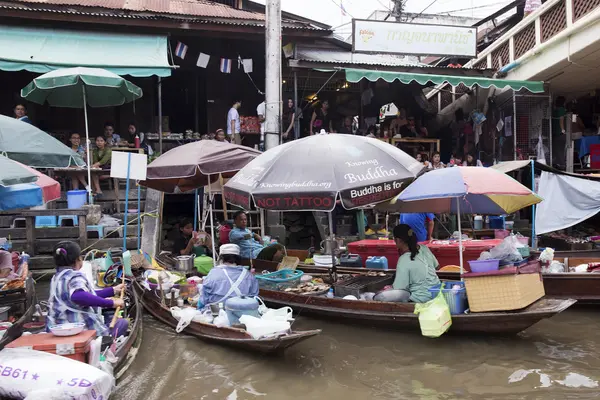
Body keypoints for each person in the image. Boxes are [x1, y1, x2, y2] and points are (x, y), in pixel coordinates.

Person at [46, 241, 127, 337]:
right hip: (79, 331)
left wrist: (113, 290)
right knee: (122, 323)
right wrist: (111, 303)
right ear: (78, 259)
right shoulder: (75, 276)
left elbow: (87, 294)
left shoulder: (56, 278)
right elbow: (78, 296)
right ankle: (105, 343)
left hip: (56, 329)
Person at [374, 225, 440, 303]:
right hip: (438, 294)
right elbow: (437, 267)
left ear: (398, 240)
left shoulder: (404, 259)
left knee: (378, 297)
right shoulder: (424, 248)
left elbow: (399, 288)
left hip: (420, 300)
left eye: (394, 239)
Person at [197, 244, 259, 310]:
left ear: (221, 258)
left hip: (216, 314)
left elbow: (203, 298)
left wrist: (199, 308)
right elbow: (254, 299)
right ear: (238, 258)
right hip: (241, 314)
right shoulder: (249, 276)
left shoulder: (214, 273)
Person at [552, 96, 567, 169]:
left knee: (556, 149)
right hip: (560, 133)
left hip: (555, 133)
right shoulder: (561, 110)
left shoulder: (554, 110)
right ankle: (562, 165)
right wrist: (563, 130)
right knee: (561, 149)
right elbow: (561, 120)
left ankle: (557, 163)